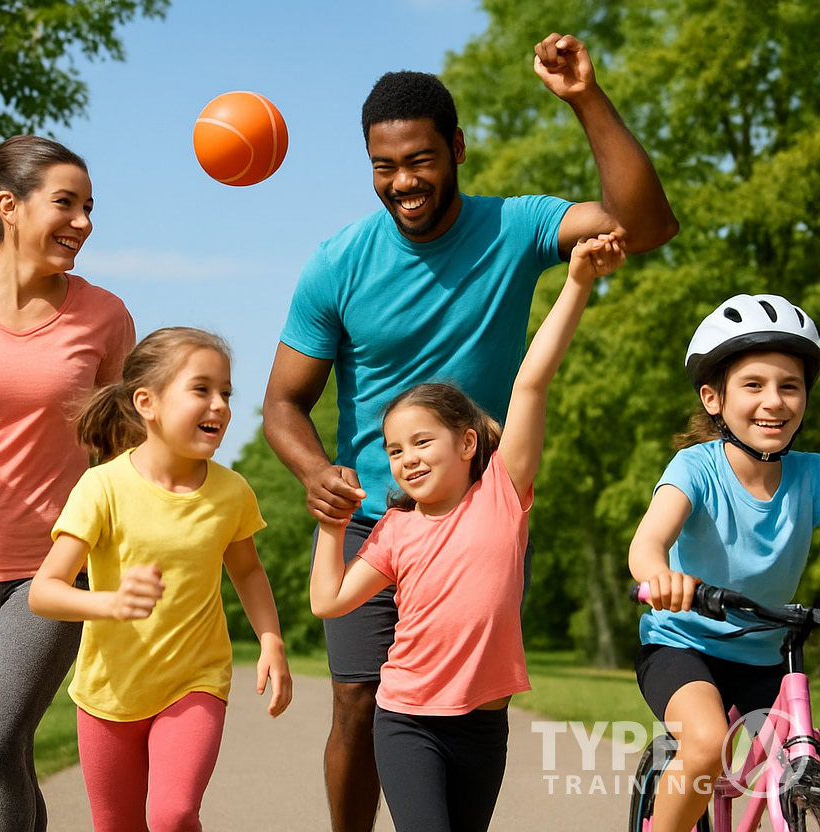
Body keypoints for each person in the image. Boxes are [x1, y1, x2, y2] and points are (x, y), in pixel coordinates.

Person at [262, 32, 678, 831]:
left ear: (456, 147)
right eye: (383, 167)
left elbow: (646, 224)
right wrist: (315, 471)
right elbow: (284, 402)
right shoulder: (337, 262)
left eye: (419, 160)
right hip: (375, 520)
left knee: (470, 707)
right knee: (356, 699)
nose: (403, 183)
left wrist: (585, 97)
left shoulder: (516, 227)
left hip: (477, 522)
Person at [310, 234, 625, 832]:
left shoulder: (503, 494)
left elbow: (531, 380)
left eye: (421, 441)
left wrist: (578, 281)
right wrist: (331, 529)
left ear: (468, 442)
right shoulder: (396, 528)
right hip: (406, 719)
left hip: (484, 724)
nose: (405, 459)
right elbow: (328, 600)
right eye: (394, 450)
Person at [28, 327, 292, 832]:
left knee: (173, 815)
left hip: (195, 680)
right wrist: (110, 603)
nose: (219, 404)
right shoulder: (101, 487)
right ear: (146, 402)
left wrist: (272, 641)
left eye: (226, 393)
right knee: (116, 824)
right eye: (201, 389)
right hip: (110, 689)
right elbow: (45, 592)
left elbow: (248, 571)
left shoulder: (231, 492)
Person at [629, 294, 820, 832]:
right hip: (684, 646)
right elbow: (647, 543)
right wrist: (660, 576)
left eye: (790, 386)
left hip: (769, 654)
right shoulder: (696, 467)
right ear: (714, 398)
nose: (775, 402)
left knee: (803, 766)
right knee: (707, 744)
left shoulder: (811, 475)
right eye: (754, 385)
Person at [0, 135, 135, 832]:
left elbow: (127, 449)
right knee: (6, 754)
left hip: (49, 570)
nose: (83, 223)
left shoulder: (103, 317)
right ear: (8, 207)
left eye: (89, 208)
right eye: (66, 204)